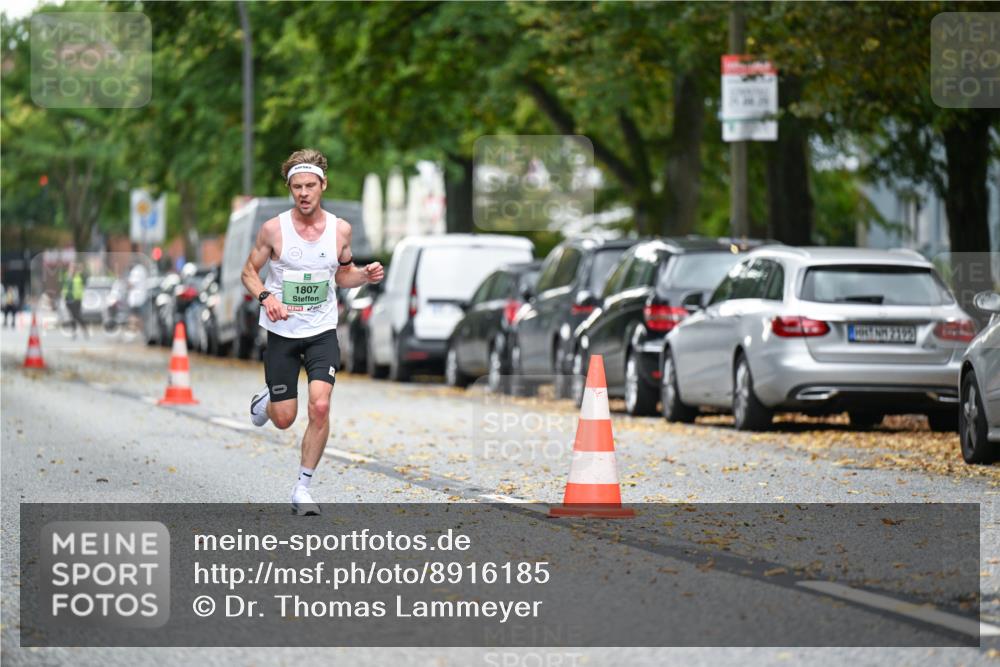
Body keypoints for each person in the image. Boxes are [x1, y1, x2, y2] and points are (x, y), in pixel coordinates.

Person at [241, 149, 384, 515]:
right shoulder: (273, 229)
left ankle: (302, 488)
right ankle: (267, 402)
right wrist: (265, 296)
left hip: (322, 331)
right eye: (296, 187)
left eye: (310, 185)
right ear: (290, 189)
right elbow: (248, 272)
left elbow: (342, 275)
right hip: (283, 333)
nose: (303, 193)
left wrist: (363, 277)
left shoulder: (340, 230)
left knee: (320, 405)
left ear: (323, 185)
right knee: (285, 418)